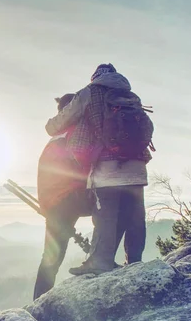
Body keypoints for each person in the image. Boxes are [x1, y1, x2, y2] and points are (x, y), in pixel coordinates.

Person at [45, 63, 153, 276]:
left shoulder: (90, 92)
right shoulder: (131, 95)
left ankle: (100, 262)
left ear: (95, 77)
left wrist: (50, 125)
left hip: (107, 166)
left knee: (106, 217)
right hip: (137, 166)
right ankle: (135, 263)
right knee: (134, 217)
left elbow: (58, 124)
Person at [33, 94, 93, 300]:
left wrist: (46, 205)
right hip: (70, 198)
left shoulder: (53, 141)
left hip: (52, 203)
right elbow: (82, 168)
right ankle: (100, 259)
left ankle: (39, 302)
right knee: (111, 206)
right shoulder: (75, 135)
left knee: (51, 258)